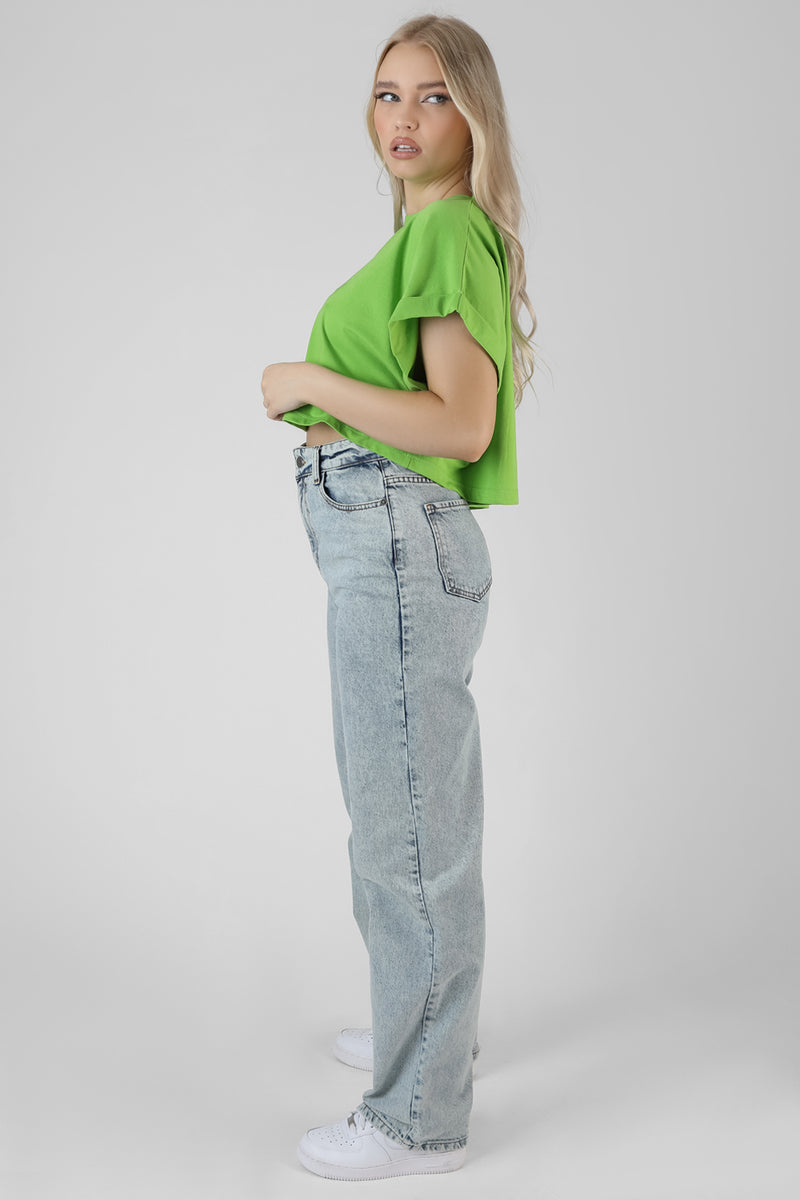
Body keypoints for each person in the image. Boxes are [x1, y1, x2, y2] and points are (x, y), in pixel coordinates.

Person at [261, 13, 537, 1181]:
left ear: (473, 114)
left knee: (407, 833)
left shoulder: (448, 233)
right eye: (387, 94)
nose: (405, 119)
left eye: (432, 96)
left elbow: (458, 424)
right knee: (403, 815)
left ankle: (418, 1118)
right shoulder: (428, 234)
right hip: (387, 541)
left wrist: (306, 381)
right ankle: (418, 1029)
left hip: (392, 542)